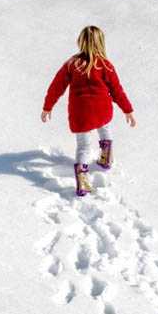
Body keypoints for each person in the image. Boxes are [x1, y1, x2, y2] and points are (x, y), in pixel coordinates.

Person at [41, 25, 136, 196]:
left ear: (80, 42)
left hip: (81, 114)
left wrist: (48, 106)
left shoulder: (71, 64)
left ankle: (82, 178)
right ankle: (106, 157)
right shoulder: (105, 65)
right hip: (102, 110)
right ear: (101, 43)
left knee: (84, 146)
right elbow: (117, 90)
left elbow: (56, 86)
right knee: (105, 128)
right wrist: (127, 110)